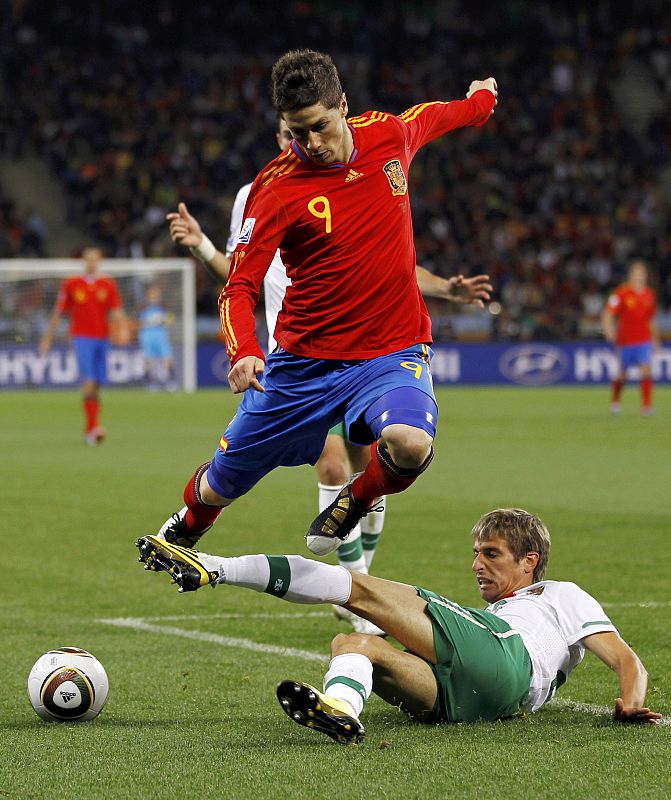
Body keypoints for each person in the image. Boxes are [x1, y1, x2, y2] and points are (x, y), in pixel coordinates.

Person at [155, 48, 498, 568]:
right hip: (302, 363)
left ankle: (353, 503)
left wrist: (482, 98)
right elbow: (239, 283)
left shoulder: (388, 134)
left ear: (343, 105)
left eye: (318, 126)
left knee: (410, 442)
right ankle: (189, 526)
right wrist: (244, 350)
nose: (311, 144)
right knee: (218, 487)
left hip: (390, 351)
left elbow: (442, 113)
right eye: (297, 133)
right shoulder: (275, 188)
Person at [136, 507, 662, 743]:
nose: (478, 564)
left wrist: (632, 701)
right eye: (476, 553)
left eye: (493, 554)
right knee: (354, 641)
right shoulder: (498, 615)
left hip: (507, 657)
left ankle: (215, 568)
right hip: (480, 703)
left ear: (530, 562)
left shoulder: (558, 595)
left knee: (358, 590)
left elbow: (625, 659)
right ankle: (341, 711)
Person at [39, 247, 127, 444]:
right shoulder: (71, 283)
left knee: (96, 384)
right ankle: (94, 427)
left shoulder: (108, 283)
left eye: (95, 259)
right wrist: (47, 338)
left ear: (100, 261)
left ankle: (91, 427)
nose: (91, 262)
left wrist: (122, 330)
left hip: (103, 338)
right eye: (88, 259)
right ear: (83, 261)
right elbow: (58, 311)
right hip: (81, 338)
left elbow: (117, 310)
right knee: (88, 381)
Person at [602, 259, 660, 416]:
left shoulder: (650, 294)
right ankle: (615, 402)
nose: (638, 277)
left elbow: (651, 319)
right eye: (635, 273)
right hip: (626, 340)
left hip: (644, 340)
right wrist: (609, 331)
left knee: (646, 370)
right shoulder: (621, 293)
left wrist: (655, 339)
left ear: (645, 276)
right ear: (630, 275)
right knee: (622, 374)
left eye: (641, 274)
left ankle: (647, 407)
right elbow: (608, 314)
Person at [138, 285, 176, 391]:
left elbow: (171, 319)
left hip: (161, 335)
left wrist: (168, 320)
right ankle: (150, 383)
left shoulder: (163, 308)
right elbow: (140, 322)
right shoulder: (143, 308)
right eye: (152, 295)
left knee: (167, 359)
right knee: (149, 360)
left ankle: (171, 382)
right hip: (148, 336)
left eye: (156, 295)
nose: (154, 298)